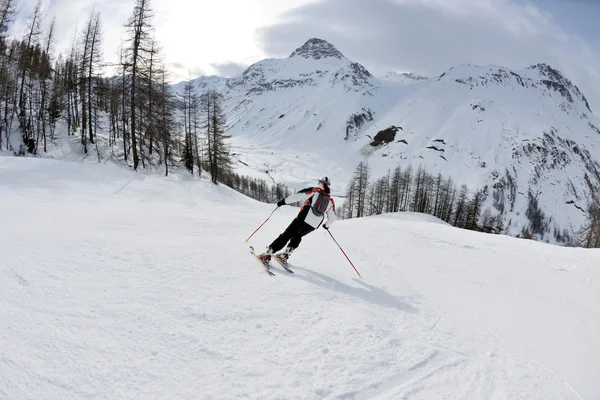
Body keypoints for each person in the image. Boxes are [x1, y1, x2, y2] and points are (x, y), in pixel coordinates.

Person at [258, 176, 337, 265]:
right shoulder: (330, 200)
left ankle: (267, 255)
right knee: (297, 236)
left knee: (287, 235)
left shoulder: (315, 191)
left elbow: (298, 196)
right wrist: (326, 225)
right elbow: (333, 217)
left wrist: (283, 202)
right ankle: (285, 255)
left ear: (319, 183)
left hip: (304, 217)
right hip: (314, 225)